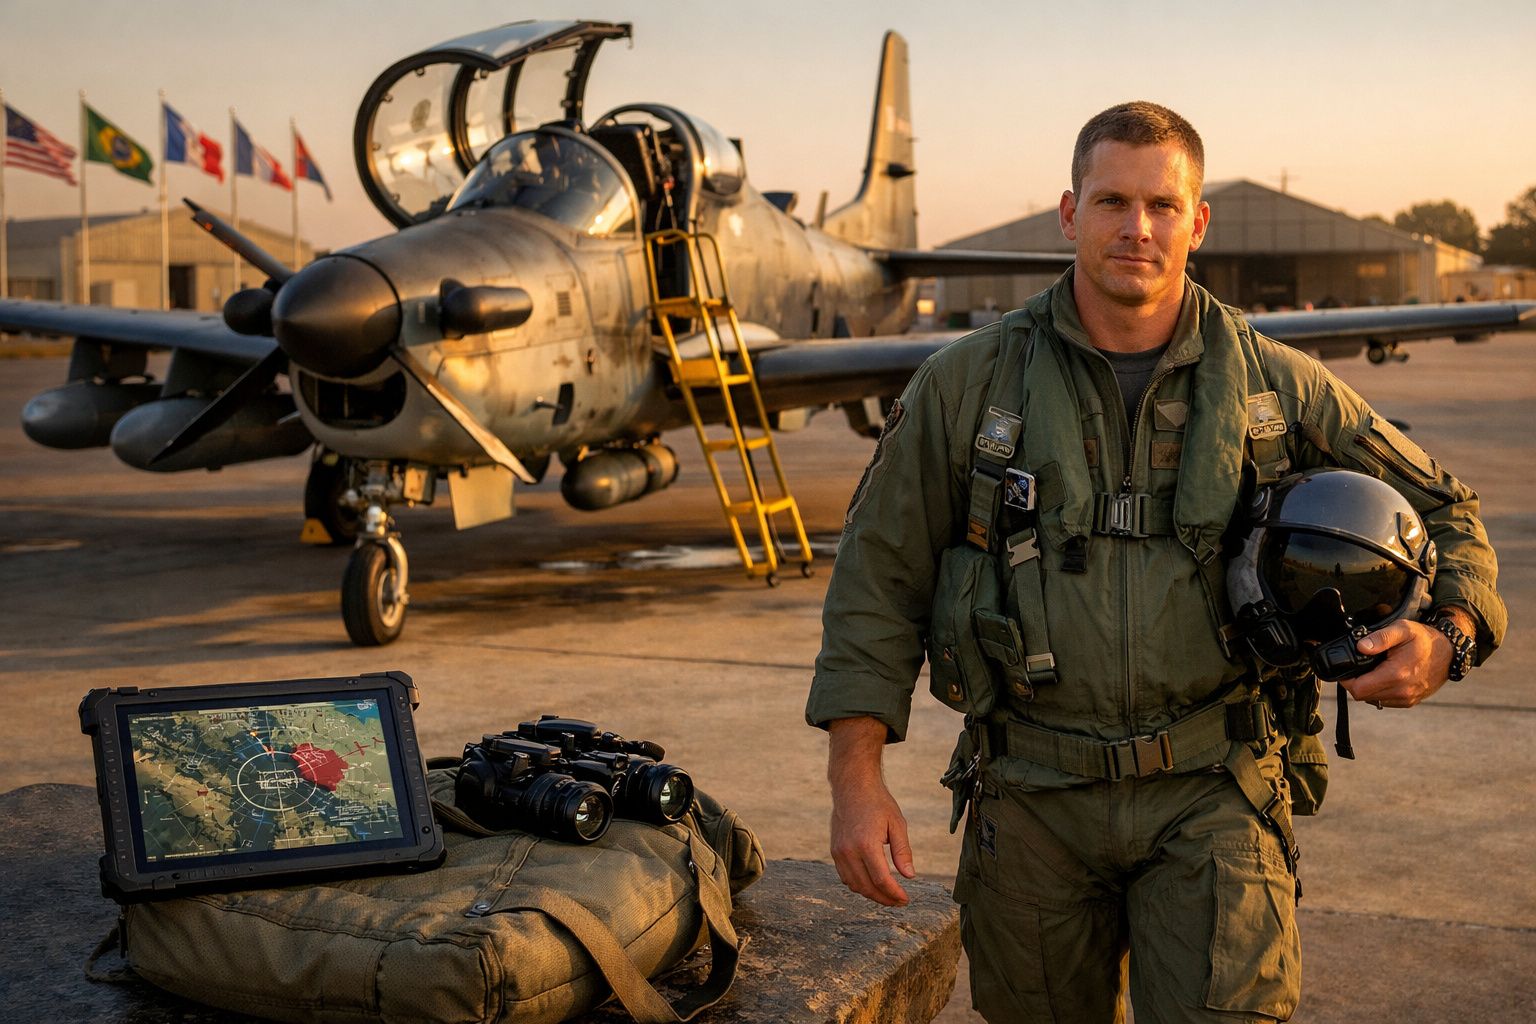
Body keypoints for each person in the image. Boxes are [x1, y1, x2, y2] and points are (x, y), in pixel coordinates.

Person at [805, 101, 1503, 1023]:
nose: (1138, 228)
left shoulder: (1276, 385)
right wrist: (856, 785)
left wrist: (1447, 635)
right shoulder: (967, 385)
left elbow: (1449, 509)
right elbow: (877, 584)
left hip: (1213, 795)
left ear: (1198, 221)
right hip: (1031, 798)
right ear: (1070, 213)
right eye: (1112, 202)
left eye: (1163, 206)